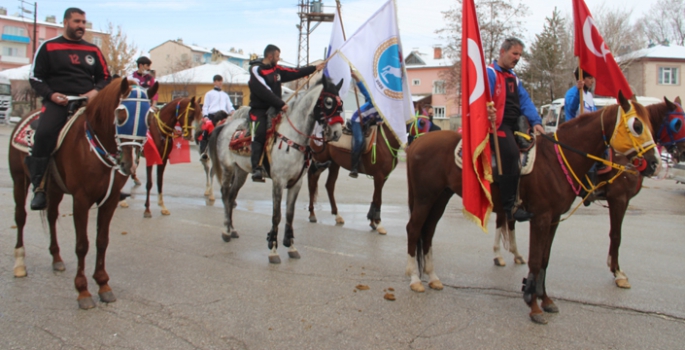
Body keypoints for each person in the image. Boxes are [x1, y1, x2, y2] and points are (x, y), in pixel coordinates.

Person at [27, 7, 110, 210]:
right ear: (65, 23)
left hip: (88, 103)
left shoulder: (93, 50)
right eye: (76, 22)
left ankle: (113, 184)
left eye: (83, 22)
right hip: (58, 103)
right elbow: (36, 77)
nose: (81, 26)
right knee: (44, 134)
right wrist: (51, 95)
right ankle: (39, 187)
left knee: (112, 132)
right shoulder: (48, 47)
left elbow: (105, 77)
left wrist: (95, 92)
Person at [486, 37, 544, 222]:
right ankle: (509, 206)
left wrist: (536, 121)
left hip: (516, 125)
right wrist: (488, 112)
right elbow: (480, 98)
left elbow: (525, 101)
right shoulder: (490, 73)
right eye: (515, 53)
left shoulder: (514, 78)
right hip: (497, 125)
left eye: (520, 54)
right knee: (511, 153)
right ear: (503, 52)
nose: (517, 58)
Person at [248, 44, 324, 182]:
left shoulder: (276, 69)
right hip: (259, 111)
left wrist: (314, 68)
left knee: (298, 128)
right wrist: (280, 103)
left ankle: (309, 161)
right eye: (277, 57)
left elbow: (294, 72)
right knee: (258, 133)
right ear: (270, 56)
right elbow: (264, 91)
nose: (278, 59)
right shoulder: (256, 70)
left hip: (276, 108)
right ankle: (256, 168)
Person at [564, 68, 599, 205]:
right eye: (589, 78)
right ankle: (586, 187)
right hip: (575, 132)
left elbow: (594, 113)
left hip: (588, 131)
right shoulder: (573, 93)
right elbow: (571, 108)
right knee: (589, 151)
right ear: (582, 79)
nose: (592, 81)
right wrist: (578, 95)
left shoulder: (589, 96)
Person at [349, 72, 382, 178]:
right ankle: (354, 167)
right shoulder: (374, 100)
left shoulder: (386, 109)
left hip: (369, 121)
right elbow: (364, 90)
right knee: (359, 140)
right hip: (358, 120)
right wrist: (356, 78)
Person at [198, 75, 235, 156]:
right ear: (214, 82)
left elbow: (229, 106)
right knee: (206, 131)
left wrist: (233, 112)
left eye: (221, 81)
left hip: (223, 116)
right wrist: (205, 116)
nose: (220, 83)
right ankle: (203, 150)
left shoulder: (225, 95)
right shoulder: (209, 94)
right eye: (218, 81)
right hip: (213, 116)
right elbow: (206, 106)